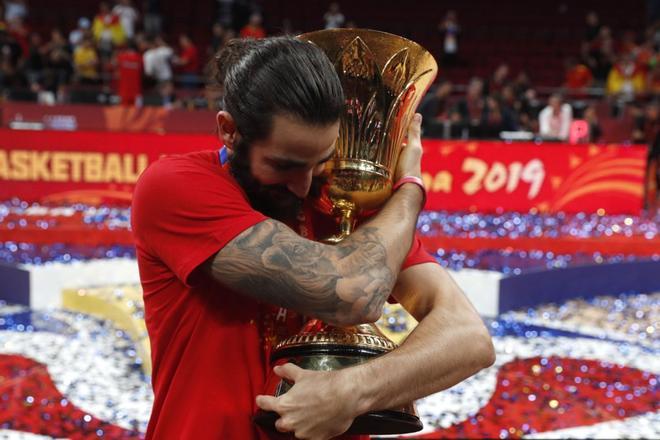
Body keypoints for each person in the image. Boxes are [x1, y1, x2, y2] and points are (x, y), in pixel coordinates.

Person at [131, 36, 494, 439]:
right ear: (229, 131)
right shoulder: (175, 187)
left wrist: (351, 391)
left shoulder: (341, 199)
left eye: (320, 161)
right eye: (284, 165)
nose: (304, 186)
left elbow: (469, 337)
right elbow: (351, 292)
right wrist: (410, 189)